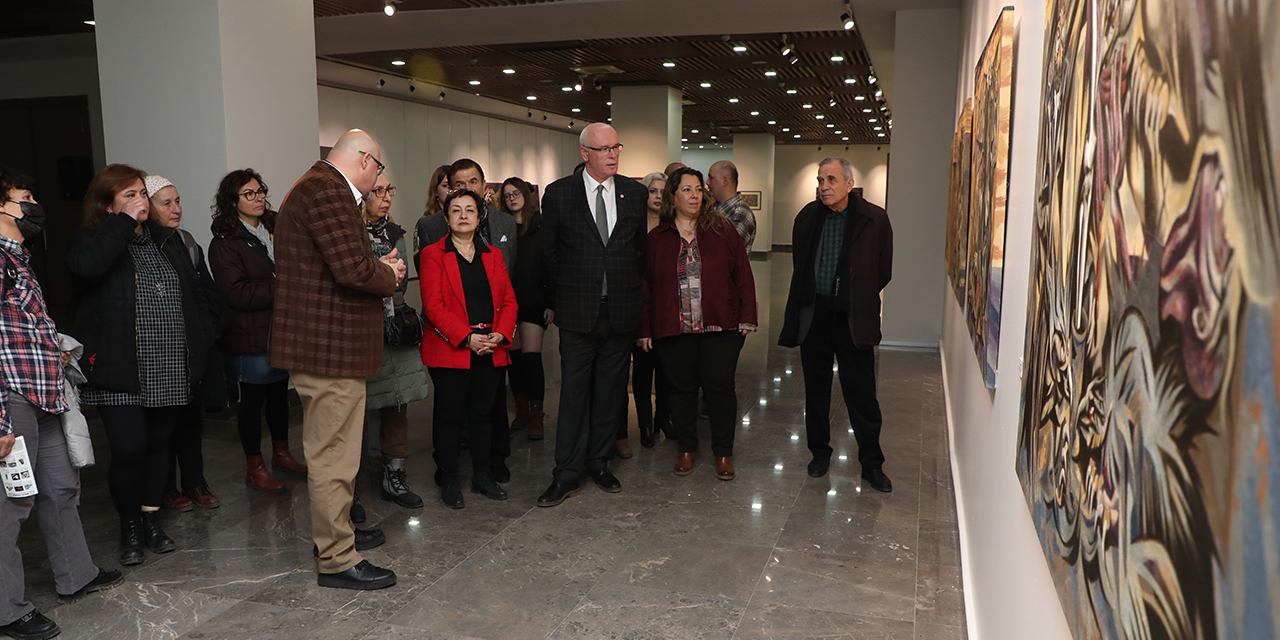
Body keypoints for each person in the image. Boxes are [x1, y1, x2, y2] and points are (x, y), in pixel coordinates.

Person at [68, 164, 221, 566]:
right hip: (118, 367)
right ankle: (130, 525)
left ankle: (152, 519)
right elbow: (89, 268)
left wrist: (201, 350)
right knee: (129, 448)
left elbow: (193, 297)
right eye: (129, 195)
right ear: (107, 205)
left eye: (141, 194)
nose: (140, 202)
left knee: (158, 447)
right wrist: (120, 223)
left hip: (168, 364)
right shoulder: (91, 240)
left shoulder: (163, 241)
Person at [271, 129, 404, 590]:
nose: (378, 179)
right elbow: (353, 270)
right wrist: (389, 273)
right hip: (329, 350)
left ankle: (337, 535)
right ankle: (335, 559)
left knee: (337, 455)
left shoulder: (316, 186)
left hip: (327, 348)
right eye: (379, 168)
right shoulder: (327, 191)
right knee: (334, 459)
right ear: (365, 160)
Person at [0, 169, 121, 640]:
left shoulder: (19, 257)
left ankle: (77, 574)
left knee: (59, 486)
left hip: (43, 389)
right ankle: (8, 612)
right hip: (12, 397)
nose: (34, 207)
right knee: (10, 505)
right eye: (24, 198)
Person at [537, 123, 648, 507]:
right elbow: (548, 254)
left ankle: (598, 462)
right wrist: (571, 289)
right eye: (604, 149)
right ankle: (566, 473)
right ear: (585, 153)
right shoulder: (559, 194)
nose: (613, 154)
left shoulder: (633, 193)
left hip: (619, 309)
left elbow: (639, 252)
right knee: (574, 395)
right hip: (577, 312)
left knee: (610, 393)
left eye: (617, 147)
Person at [778, 157, 893, 492]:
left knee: (861, 394)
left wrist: (856, 297)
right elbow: (802, 266)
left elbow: (882, 271)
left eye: (830, 179)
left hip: (852, 320)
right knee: (816, 391)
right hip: (815, 318)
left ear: (848, 183)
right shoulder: (808, 218)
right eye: (820, 180)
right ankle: (819, 452)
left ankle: (872, 463)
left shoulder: (874, 219)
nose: (823, 186)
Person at [638, 168, 756, 481]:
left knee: (720, 390)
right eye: (686, 190)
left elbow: (742, 274)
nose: (694, 195)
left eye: (698, 190)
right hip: (674, 328)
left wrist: (748, 316)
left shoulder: (722, 230)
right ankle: (686, 449)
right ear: (672, 197)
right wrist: (645, 329)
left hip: (720, 326)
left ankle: (723, 453)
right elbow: (646, 286)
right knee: (682, 391)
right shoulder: (657, 239)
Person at [415, 159, 517, 483]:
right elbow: (433, 306)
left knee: (483, 416)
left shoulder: (494, 255)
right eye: (456, 210)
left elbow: (509, 301)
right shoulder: (433, 254)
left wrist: (500, 335)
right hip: (453, 350)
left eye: (469, 211)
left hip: (491, 348)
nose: (463, 216)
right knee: (448, 416)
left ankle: (483, 476)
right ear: (446, 218)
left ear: (478, 217)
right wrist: (467, 338)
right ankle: (448, 478)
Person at [207, 169, 308, 495]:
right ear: (232, 201)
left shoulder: (275, 227)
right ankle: (256, 467)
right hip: (250, 335)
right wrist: (283, 286)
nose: (259, 197)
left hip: (282, 330)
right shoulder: (225, 242)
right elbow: (237, 293)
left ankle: (281, 454)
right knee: (252, 403)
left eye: (260, 190)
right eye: (249, 193)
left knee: (280, 396)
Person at [146, 175, 225, 512]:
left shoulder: (188, 242)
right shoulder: (143, 244)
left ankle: (195, 481)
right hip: (162, 350)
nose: (176, 209)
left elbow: (205, 289)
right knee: (162, 428)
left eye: (178, 201)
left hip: (191, 346)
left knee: (191, 422)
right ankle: (165, 488)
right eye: (167, 203)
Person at [361, 174, 429, 510]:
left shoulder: (395, 234)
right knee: (354, 410)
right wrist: (381, 273)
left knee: (398, 403)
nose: (386, 197)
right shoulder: (350, 233)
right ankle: (350, 489)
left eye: (390, 190)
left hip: (394, 327)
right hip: (359, 330)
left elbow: (398, 283)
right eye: (377, 191)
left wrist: (383, 274)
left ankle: (395, 474)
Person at [498, 177, 551, 441]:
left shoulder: (541, 224)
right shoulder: (502, 227)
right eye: (506, 195)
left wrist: (551, 302)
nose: (511, 198)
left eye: (516, 193)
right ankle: (520, 411)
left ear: (527, 194)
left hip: (533, 300)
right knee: (514, 361)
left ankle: (536, 415)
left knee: (532, 359)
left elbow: (550, 264)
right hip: (508, 302)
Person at [624, 172, 673, 449]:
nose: (657, 197)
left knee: (666, 370)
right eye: (652, 191)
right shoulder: (632, 226)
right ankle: (644, 425)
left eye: (662, 192)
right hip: (636, 308)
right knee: (642, 371)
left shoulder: (672, 227)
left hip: (665, 310)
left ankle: (662, 418)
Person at [708, 161, 757, 253]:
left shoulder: (740, 212)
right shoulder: (713, 209)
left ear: (724, 181)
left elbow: (727, 251)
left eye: (711, 178)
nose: (707, 182)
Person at [413, 165, 450, 256]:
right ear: (436, 191)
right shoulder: (425, 223)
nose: (450, 190)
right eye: (446, 185)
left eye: (453, 185)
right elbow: (419, 259)